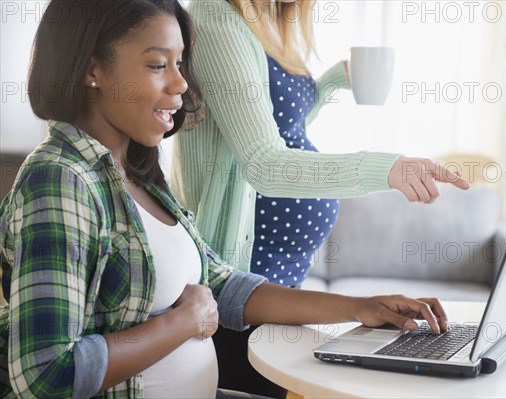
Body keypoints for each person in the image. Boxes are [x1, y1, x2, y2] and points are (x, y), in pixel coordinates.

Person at [0, 1, 449, 398]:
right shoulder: (60, 180)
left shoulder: (138, 175)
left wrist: (363, 308)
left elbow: (223, 286)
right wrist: (181, 323)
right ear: (90, 70)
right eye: (159, 65)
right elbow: (45, 376)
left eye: (181, 64)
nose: (182, 85)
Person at [170, 0, 470, 397]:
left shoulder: (273, 18)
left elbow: (282, 127)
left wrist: (328, 84)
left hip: (280, 287)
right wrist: (386, 169)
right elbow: (262, 163)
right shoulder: (216, 18)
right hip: (238, 288)